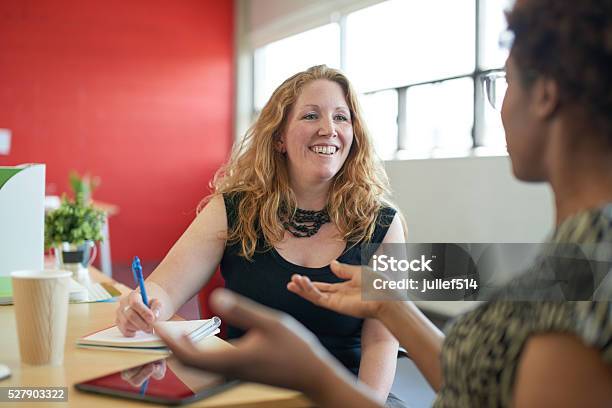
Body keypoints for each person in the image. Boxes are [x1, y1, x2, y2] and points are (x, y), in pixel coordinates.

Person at [156, 0, 612, 406]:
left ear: (546, 96)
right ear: (278, 137)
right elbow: (478, 383)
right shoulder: (573, 255)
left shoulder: (593, 260)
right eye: (310, 116)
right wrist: (392, 307)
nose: (500, 107)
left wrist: (312, 371)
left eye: (505, 83)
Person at [116, 65, 407, 403]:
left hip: (345, 396)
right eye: (311, 116)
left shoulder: (383, 223)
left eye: (341, 118)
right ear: (280, 137)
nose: (328, 129)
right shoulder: (233, 208)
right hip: (247, 395)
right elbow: (163, 287)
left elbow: (382, 341)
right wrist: (140, 304)